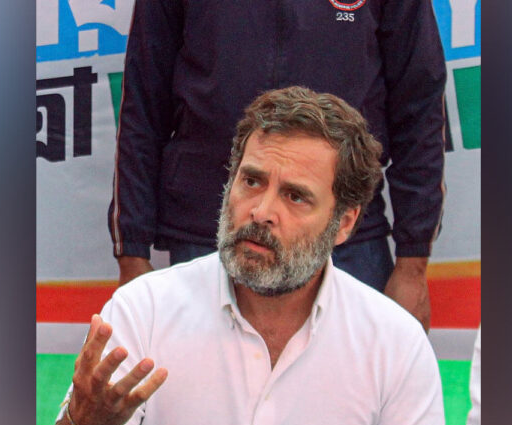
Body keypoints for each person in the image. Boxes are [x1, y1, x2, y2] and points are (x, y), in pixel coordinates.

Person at [42, 87, 445, 425]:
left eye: (295, 196)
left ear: (344, 223)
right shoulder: (143, 310)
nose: (262, 211)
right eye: (252, 181)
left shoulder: (395, 343)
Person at [108, 0, 447, 332]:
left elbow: (420, 108)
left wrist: (413, 263)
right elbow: (142, 105)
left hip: (344, 241)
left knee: (356, 369)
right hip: (211, 233)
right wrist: (132, 251)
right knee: (201, 371)